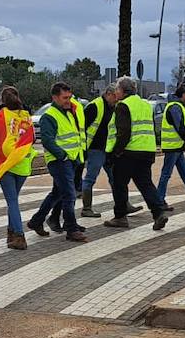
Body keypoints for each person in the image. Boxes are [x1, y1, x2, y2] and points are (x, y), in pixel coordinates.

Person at [27, 82, 88, 243]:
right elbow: (47, 140)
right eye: (65, 98)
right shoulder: (49, 116)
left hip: (70, 159)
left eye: (70, 97)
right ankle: (71, 228)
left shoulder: (68, 112)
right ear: (55, 97)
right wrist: (63, 156)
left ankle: (36, 221)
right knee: (69, 194)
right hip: (59, 161)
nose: (68, 100)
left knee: (57, 194)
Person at [105, 76, 168, 230]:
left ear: (122, 91)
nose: (116, 92)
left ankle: (120, 217)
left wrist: (116, 152)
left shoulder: (123, 106)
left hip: (128, 152)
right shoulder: (146, 105)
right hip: (146, 151)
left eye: (117, 89)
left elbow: (123, 132)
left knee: (119, 184)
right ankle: (158, 213)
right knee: (146, 184)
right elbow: (151, 127)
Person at [0, 86, 33, 250]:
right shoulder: (26, 115)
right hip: (23, 164)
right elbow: (31, 138)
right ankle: (11, 233)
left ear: (2, 100)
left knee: (12, 202)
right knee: (13, 201)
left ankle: (19, 236)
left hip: (6, 164)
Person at [78, 86, 118, 218]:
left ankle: (123, 204)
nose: (116, 99)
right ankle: (86, 208)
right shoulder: (94, 106)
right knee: (90, 178)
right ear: (108, 94)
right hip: (95, 148)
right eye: (115, 96)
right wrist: (83, 148)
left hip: (107, 148)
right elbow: (81, 127)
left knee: (116, 177)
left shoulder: (113, 107)